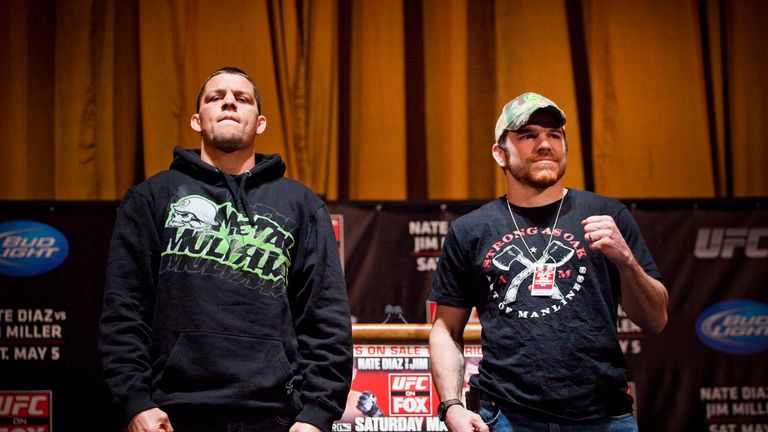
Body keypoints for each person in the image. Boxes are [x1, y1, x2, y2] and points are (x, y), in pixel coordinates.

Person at [99, 66, 353, 432]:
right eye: (215, 98)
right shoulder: (151, 198)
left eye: (242, 98)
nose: (229, 102)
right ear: (196, 119)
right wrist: (134, 402)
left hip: (276, 416)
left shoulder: (301, 204)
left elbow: (326, 318)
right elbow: (124, 310)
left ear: (260, 122)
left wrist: (317, 414)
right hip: (172, 415)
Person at [428, 92, 669, 432]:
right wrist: (451, 405)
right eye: (528, 135)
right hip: (508, 417)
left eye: (554, 135)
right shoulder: (472, 230)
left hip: (604, 416)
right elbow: (447, 329)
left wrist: (627, 262)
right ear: (500, 153)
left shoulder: (607, 215)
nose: (545, 144)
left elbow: (655, 319)